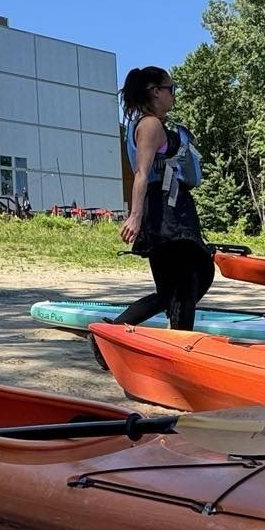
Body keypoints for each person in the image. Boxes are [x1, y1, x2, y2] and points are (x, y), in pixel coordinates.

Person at [114, 66, 216, 334]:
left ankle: (170, 341)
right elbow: (142, 173)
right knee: (186, 283)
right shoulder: (150, 125)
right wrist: (135, 216)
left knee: (177, 288)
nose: (174, 95)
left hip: (168, 208)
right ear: (155, 92)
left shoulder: (150, 124)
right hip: (165, 213)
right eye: (171, 89)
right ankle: (114, 333)